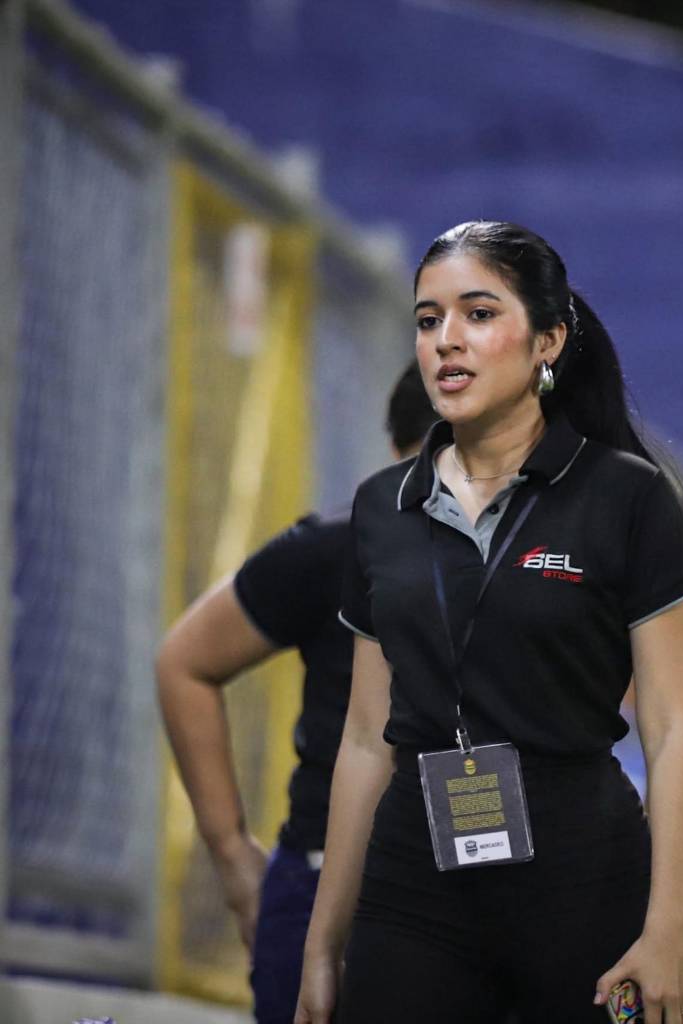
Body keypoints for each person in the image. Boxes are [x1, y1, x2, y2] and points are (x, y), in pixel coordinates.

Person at [295, 221, 683, 1024]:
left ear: (547, 341)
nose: (447, 340)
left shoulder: (627, 495)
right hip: (415, 876)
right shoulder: (384, 505)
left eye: (478, 314)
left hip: (583, 871)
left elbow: (671, 724)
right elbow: (363, 733)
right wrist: (322, 942)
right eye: (427, 319)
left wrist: (666, 926)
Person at [155, 361, 436, 1024]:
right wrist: (231, 856)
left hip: (472, 880)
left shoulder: (528, 561)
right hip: (323, 878)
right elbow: (184, 663)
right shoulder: (335, 549)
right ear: (397, 455)